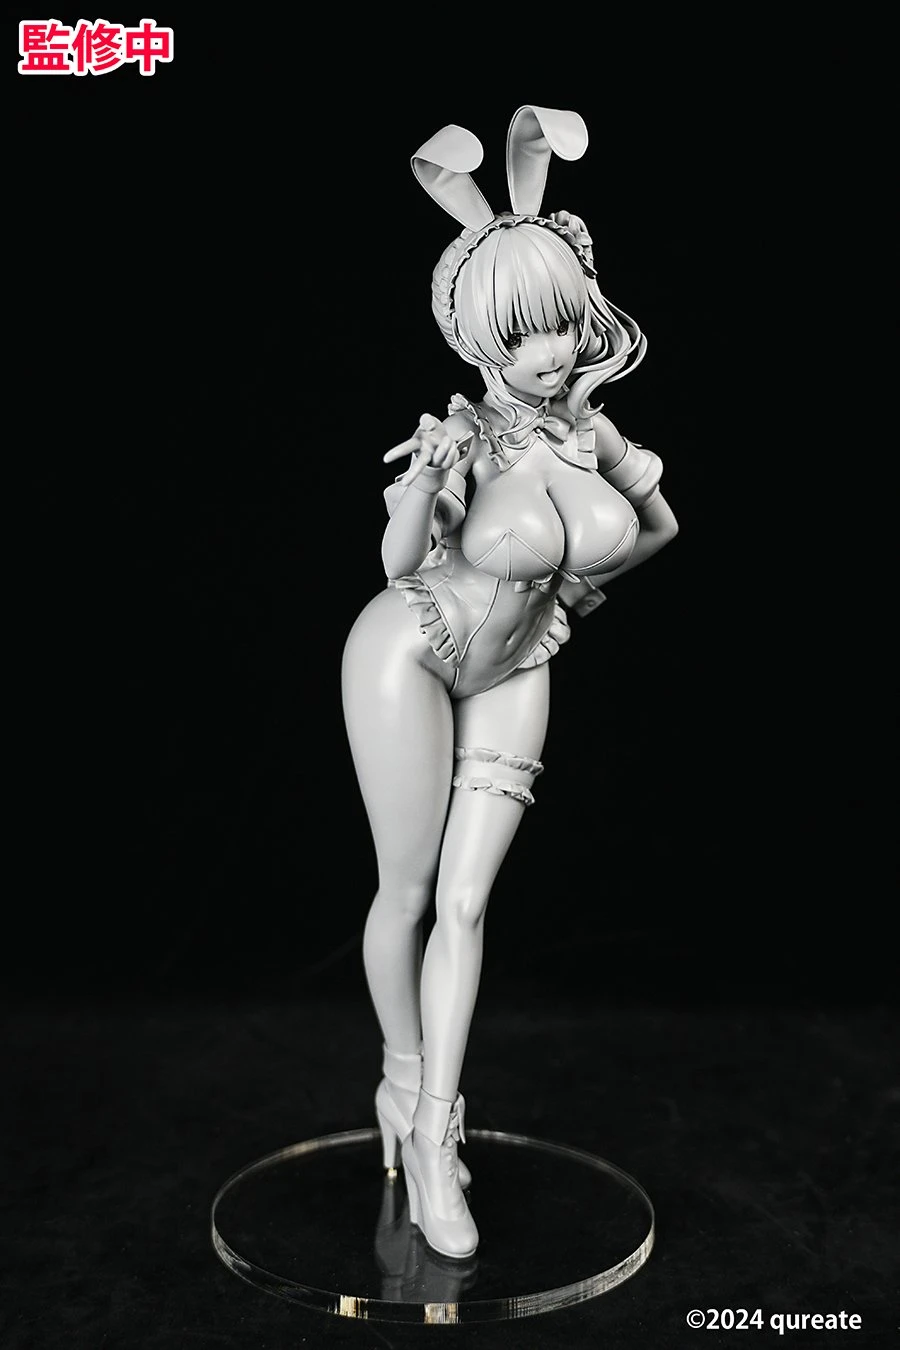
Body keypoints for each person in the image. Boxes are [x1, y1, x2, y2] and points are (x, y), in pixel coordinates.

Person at [341, 107, 678, 1260]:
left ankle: (438, 1131)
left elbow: (660, 527)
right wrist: (416, 487)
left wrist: (577, 589)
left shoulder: (591, 432)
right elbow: (397, 564)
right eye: (524, 330)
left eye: (563, 322)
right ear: (476, 332)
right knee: (407, 892)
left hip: (519, 659)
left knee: (469, 903)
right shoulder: (463, 433)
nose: (550, 349)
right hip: (412, 644)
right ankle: (400, 1082)